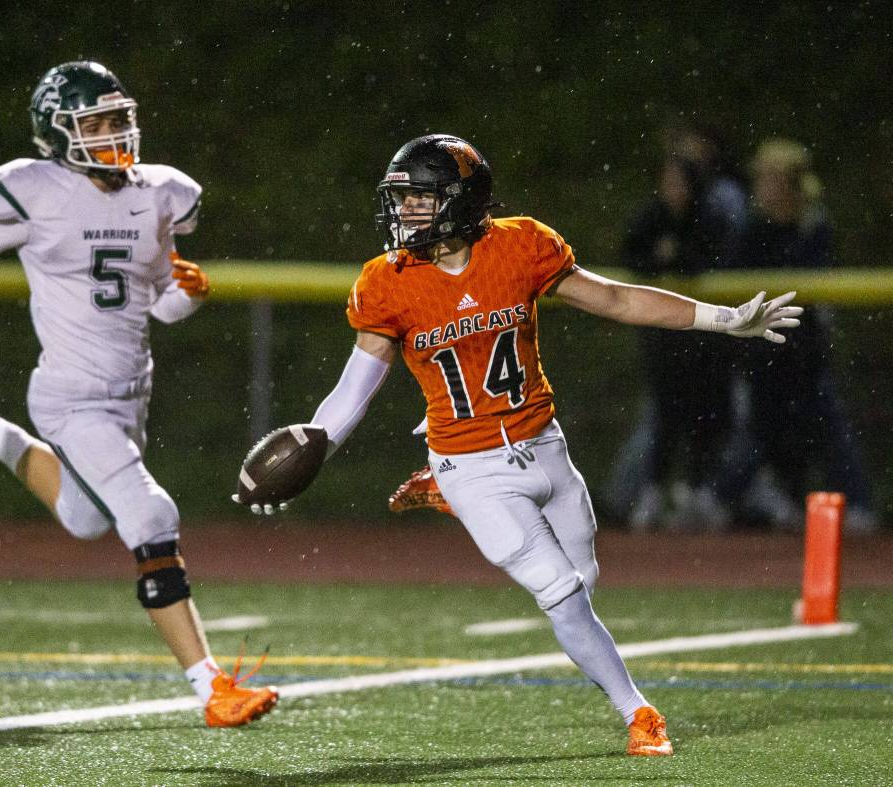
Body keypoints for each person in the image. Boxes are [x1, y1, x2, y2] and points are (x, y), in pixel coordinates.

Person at [234, 134, 801, 755]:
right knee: (557, 591)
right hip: (470, 463)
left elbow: (613, 297)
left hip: (544, 445)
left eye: (420, 199)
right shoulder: (388, 281)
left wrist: (721, 319)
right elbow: (353, 391)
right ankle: (639, 712)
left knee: (583, 581)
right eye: (401, 200)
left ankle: (444, 493)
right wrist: (315, 446)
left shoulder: (521, 244)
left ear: (461, 201)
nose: (404, 214)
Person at [0, 61, 278, 727]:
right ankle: (211, 687)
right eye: (95, 122)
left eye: (118, 118)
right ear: (56, 135)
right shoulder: (39, 190)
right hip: (69, 396)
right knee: (150, 516)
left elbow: (160, 309)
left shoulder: (161, 192)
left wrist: (187, 296)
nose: (113, 133)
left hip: (128, 395)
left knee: (86, 518)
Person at [719, 139, 876, 531]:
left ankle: (855, 502)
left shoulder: (813, 227)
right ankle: (728, 496)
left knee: (823, 422)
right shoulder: (752, 231)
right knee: (764, 427)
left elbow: (811, 291)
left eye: (770, 178)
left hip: (804, 351)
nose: (762, 186)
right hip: (764, 350)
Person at [610, 125, 749, 531]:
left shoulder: (707, 216)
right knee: (666, 415)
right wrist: (663, 256)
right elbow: (634, 255)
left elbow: (705, 259)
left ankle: (696, 492)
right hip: (664, 337)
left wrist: (673, 254)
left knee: (707, 415)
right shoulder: (651, 217)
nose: (672, 188)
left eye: (679, 179)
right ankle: (653, 492)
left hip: (702, 337)